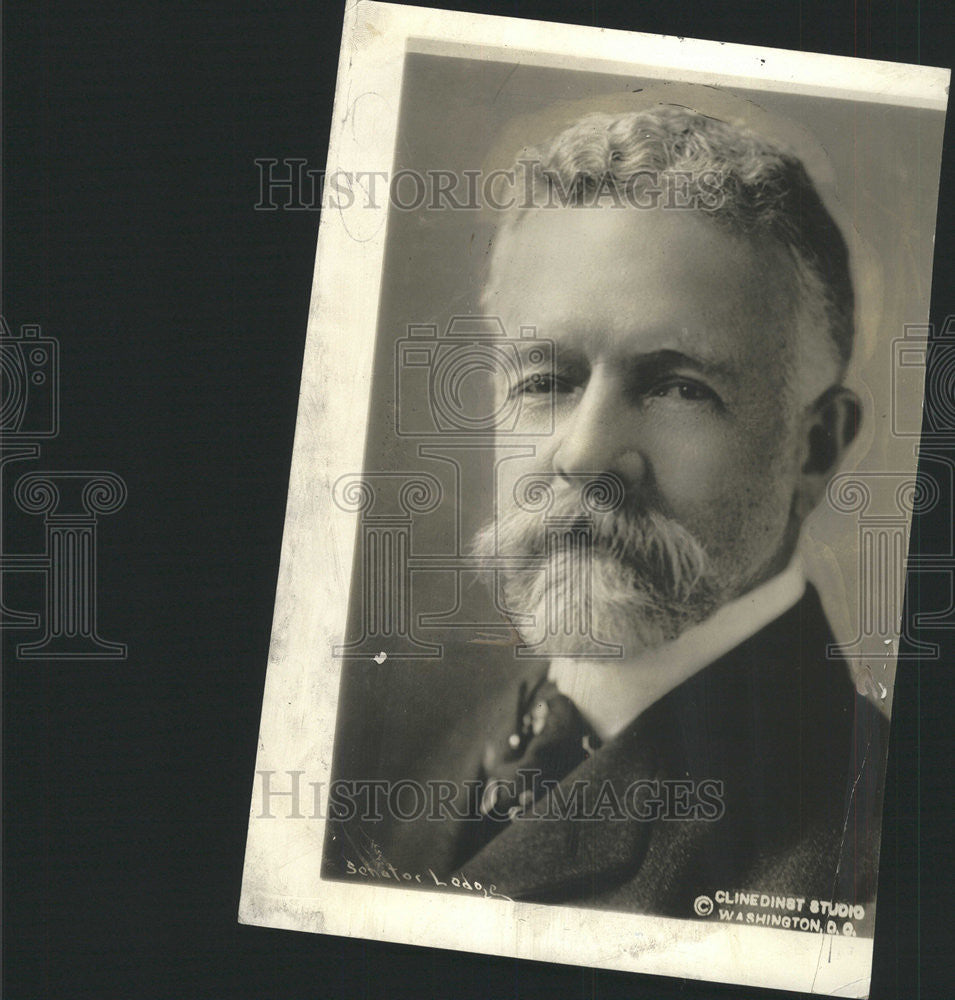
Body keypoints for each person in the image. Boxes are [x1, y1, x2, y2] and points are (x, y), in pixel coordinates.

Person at [324, 104, 886, 925]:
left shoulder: (867, 861)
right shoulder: (435, 765)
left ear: (815, 447)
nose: (583, 455)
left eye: (677, 387)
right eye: (543, 379)